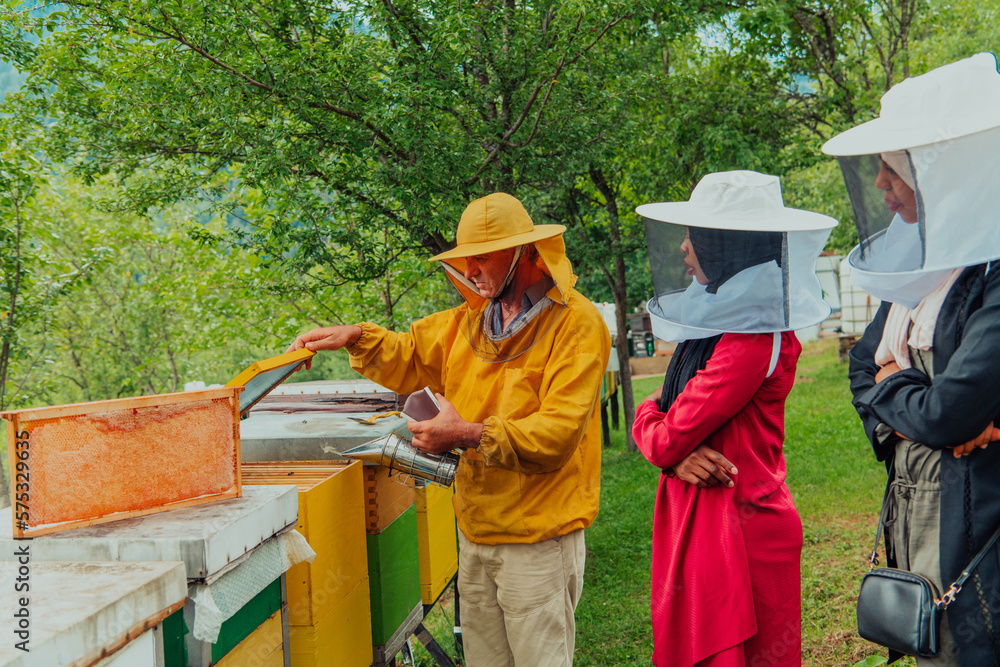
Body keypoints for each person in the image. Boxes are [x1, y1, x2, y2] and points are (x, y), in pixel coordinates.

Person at [287, 192, 611, 666]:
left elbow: (556, 435)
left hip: (539, 541)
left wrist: (466, 434)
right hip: (476, 532)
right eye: (465, 260)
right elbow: (410, 355)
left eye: (481, 258)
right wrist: (356, 336)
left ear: (523, 253)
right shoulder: (470, 323)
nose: (471, 270)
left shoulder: (577, 325)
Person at [823, 52, 1000, 666]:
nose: (879, 185)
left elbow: (952, 411)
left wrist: (897, 387)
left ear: (941, 172)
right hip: (914, 503)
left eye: (892, 168)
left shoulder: (992, 276)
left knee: (967, 644)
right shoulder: (920, 269)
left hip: (975, 514)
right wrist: (903, 408)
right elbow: (860, 367)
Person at [631, 171, 837, 666]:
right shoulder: (721, 319)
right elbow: (662, 420)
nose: (683, 247)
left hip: (738, 530)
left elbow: (666, 433)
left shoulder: (752, 334)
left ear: (726, 244)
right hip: (707, 517)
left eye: (695, 236)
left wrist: (665, 443)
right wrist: (670, 451)